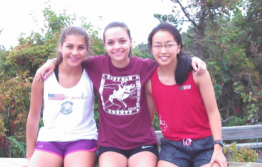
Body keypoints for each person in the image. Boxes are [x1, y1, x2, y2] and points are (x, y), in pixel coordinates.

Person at [35, 22, 207, 167]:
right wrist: (52, 61)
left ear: (131, 42)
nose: (117, 47)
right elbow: (72, 58)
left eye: (122, 41)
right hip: (110, 145)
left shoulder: (144, 66)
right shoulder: (96, 65)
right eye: (111, 42)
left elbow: (168, 58)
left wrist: (191, 60)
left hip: (143, 143)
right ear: (104, 45)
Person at [145, 22, 227, 167]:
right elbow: (147, 120)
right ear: (151, 49)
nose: (163, 50)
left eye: (169, 45)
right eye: (157, 45)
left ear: (179, 47)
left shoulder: (197, 73)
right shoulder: (150, 81)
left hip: (205, 144)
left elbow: (213, 111)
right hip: (173, 147)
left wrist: (218, 148)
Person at [26, 26, 98, 167]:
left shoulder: (93, 74)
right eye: (69, 46)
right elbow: (33, 116)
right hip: (50, 140)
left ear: (87, 49)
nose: (75, 52)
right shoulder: (43, 76)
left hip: (82, 139)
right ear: (60, 47)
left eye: (81, 47)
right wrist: (29, 155)